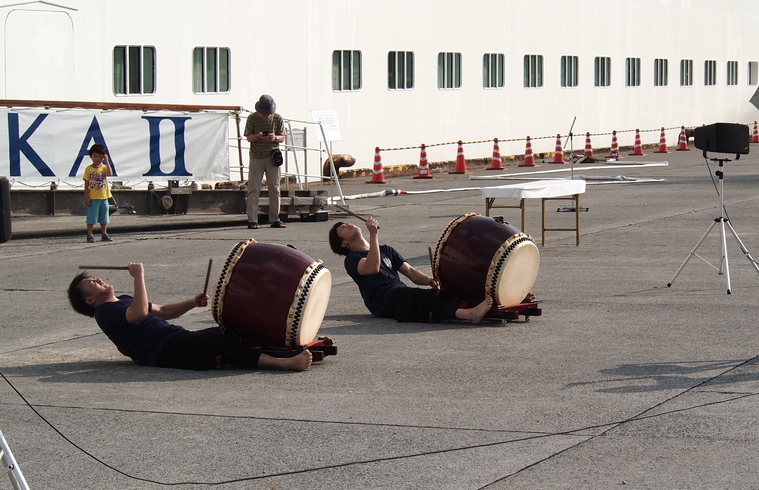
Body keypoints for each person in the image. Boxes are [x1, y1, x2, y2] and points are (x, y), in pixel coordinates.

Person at [68, 264, 312, 371]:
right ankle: (282, 364)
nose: (98, 279)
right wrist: (139, 277)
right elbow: (140, 313)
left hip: (174, 339)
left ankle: (287, 349)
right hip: (162, 351)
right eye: (92, 283)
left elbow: (163, 311)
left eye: (95, 277)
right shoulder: (104, 312)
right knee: (218, 342)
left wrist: (192, 303)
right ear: (90, 300)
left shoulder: (121, 300)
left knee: (228, 330)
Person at [329, 217, 493, 323]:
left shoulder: (386, 250)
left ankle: (476, 308)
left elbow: (410, 273)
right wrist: (373, 235)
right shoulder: (352, 259)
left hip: (399, 291)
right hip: (383, 301)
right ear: (344, 244)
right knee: (422, 299)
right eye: (342, 228)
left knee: (443, 292)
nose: (348, 225)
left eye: (346, 223)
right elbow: (372, 268)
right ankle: (470, 315)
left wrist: (429, 280)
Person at [244, 94, 286, 230]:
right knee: (253, 189)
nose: (267, 115)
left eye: (269, 113)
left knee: (275, 188)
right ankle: (252, 219)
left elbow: (282, 137)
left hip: (272, 156)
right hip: (256, 156)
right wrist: (258, 136)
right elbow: (249, 137)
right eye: (264, 113)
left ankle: (275, 218)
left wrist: (275, 138)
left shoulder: (277, 118)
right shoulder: (252, 118)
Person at [83, 143, 114, 242]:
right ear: (91, 156)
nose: (97, 159)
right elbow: (86, 184)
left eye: (100, 157)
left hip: (104, 197)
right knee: (91, 217)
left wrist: (107, 161)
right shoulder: (89, 169)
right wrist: (87, 197)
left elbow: (110, 174)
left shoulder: (104, 167)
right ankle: (90, 234)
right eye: (95, 156)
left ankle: (104, 233)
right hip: (93, 197)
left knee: (104, 217)